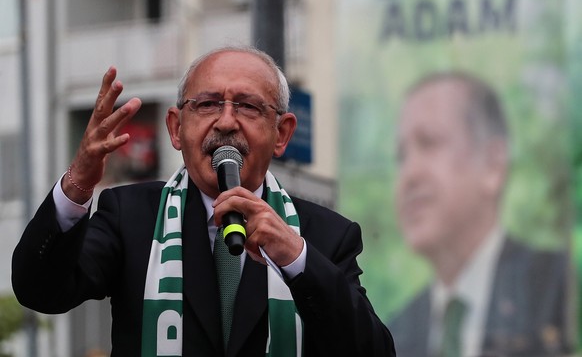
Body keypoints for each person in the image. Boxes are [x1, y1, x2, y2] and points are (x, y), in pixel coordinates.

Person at [12, 46, 395, 357]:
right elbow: (41, 291)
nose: (226, 121)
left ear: (282, 134)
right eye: (208, 104)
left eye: (247, 106)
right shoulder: (130, 216)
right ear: (177, 129)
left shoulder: (324, 237)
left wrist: (295, 259)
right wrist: (77, 183)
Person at [388, 72, 571, 357]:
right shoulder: (395, 331)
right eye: (402, 156)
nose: (408, 174)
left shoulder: (561, 288)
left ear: (493, 164)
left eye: (429, 143)